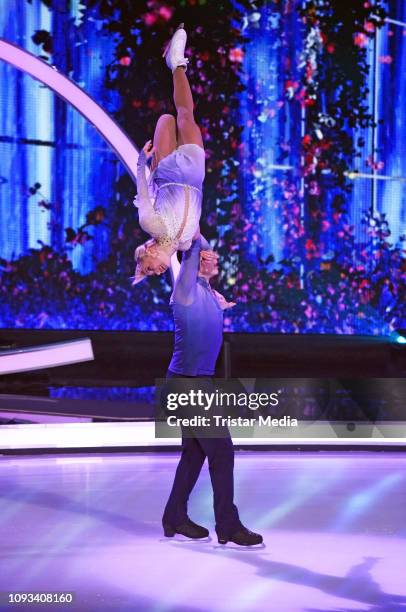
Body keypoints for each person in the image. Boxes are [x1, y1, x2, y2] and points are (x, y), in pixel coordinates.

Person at [161, 235, 263, 546]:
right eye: (208, 255)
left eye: (215, 255)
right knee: (222, 450)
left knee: (194, 454)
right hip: (186, 383)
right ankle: (228, 525)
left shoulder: (207, 291)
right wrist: (192, 228)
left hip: (198, 383)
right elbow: (192, 243)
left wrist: (220, 305)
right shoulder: (185, 288)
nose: (214, 257)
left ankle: (174, 517)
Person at [133, 24, 205, 283]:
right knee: (186, 116)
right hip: (195, 175)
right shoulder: (186, 243)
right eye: (152, 274)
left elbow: (142, 192)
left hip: (169, 174)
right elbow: (202, 247)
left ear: (148, 251)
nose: (156, 272)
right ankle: (177, 64)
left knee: (166, 118)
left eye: (148, 268)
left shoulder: (151, 226)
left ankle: (173, 63)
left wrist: (144, 161)